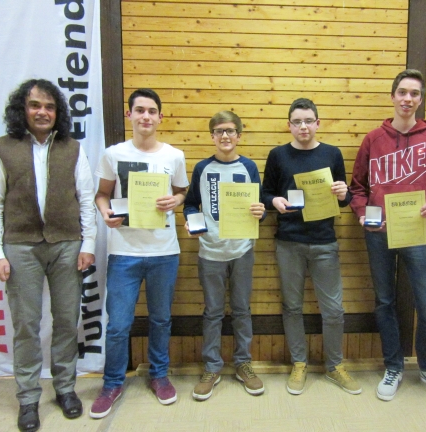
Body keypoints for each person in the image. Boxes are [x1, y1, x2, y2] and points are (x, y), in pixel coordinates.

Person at [0, 79, 96, 431]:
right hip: (20, 247)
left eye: (49, 106)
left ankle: (65, 388)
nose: (42, 112)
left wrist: (88, 244)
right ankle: (28, 398)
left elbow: (86, 199)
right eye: (35, 105)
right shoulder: (2, 148)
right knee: (26, 325)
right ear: (22, 109)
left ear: (57, 112)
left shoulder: (73, 148)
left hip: (67, 245)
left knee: (66, 320)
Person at [349, 69, 426, 402]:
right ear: (393, 96)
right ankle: (393, 366)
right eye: (402, 92)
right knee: (385, 302)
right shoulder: (373, 139)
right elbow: (358, 188)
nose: (408, 99)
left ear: (420, 99)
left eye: (414, 93)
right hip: (378, 234)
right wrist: (362, 214)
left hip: (416, 232)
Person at [90, 89, 189, 418]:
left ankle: (159, 376)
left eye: (152, 111)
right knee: (118, 325)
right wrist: (105, 213)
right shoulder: (113, 154)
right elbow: (102, 195)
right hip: (124, 252)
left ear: (160, 117)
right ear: (129, 115)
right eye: (140, 110)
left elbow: (182, 192)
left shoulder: (174, 156)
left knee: (161, 319)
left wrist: (176, 200)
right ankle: (112, 383)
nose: (146, 116)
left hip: (164, 251)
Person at [262, 98, 361, 395]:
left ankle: (334, 366)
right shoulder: (278, 155)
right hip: (288, 242)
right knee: (292, 307)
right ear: (289, 125)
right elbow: (265, 193)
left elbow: (344, 198)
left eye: (308, 121)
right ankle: (299, 363)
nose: (303, 126)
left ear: (318, 123)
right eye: (297, 122)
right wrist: (274, 201)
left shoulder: (332, 153)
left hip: (324, 242)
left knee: (333, 310)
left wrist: (343, 193)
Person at [183, 111, 265, 400]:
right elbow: (190, 204)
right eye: (219, 131)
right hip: (210, 251)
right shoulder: (202, 168)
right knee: (213, 312)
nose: (225, 136)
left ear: (239, 135)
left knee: (242, 310)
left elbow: (261, 206)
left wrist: (262, 211)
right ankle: (212, 367)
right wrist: (191, 221)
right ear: (212, 136)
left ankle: (243, 363)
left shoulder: (249, 167)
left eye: (230, 131)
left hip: (242, 250)